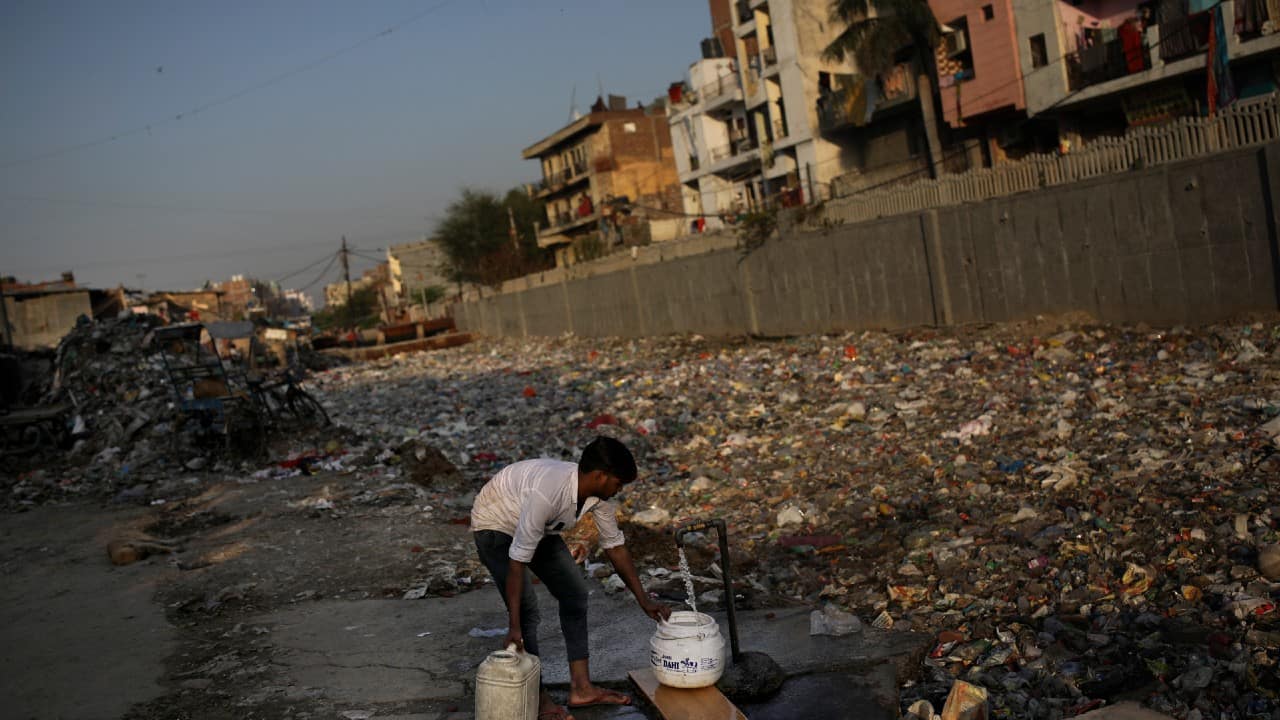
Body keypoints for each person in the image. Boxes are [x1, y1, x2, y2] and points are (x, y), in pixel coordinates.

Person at [471, 436, 671, 720]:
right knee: (527, 611)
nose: (619, 490)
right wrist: (513, 627)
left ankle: (582, 688)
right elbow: (517, 563)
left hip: (537, 526)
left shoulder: (598, 498)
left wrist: (644, 600)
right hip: (495, 525)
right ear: (600, 475)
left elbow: (615, 547)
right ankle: (537, 700)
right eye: (618, 483)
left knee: (575, 594)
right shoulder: (548, 492)